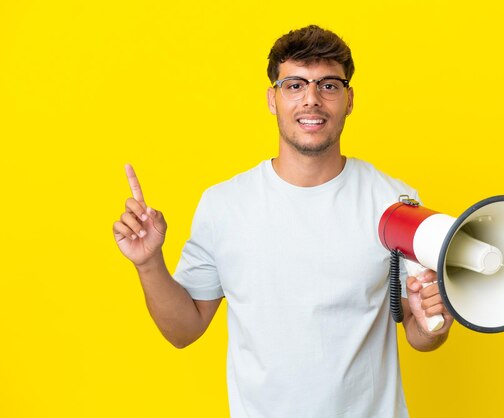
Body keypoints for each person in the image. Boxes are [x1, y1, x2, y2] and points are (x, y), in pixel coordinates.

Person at [113, 25, 453, 418]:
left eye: (328, 85)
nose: (312, 100)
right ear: (272, 99)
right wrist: (148, 263)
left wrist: (433, 325)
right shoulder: (224, 206)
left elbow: (418, 331)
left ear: (349, 99)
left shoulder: (395, 202)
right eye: (294, 85)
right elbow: (183, 331)